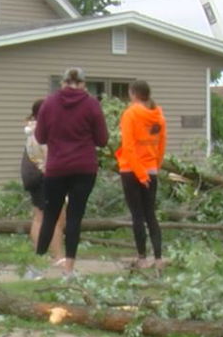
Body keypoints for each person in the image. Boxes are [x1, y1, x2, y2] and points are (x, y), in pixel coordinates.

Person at [34, 67, 109, 279]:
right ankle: (69, 269)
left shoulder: (49, 104)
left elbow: (40, 137)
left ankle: (38, 264)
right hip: (84, 167)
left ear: (62, 83)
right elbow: (102, 140)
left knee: (50, 215)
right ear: (84, 84)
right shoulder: (92, 105)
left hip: (56, 167)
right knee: (75, 217)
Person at [115, 79, 167, 269]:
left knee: (137, 215)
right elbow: (161, 147)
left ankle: (142, 257)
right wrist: (154, 168)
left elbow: (128, 146)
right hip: (151, 169)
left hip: (131, 171)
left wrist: (139, 174)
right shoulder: (158, 117)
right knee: (150, 214)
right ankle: (159, 258)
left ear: (133, 94)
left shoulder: (130, 114)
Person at [21, 99, 64, 276]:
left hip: (35, 177)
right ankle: (57, 257)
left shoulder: (33, 129)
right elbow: (50, 158)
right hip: (46, 177)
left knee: (40, 217)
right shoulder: (43, 132)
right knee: (55, 218)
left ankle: (41, 257)